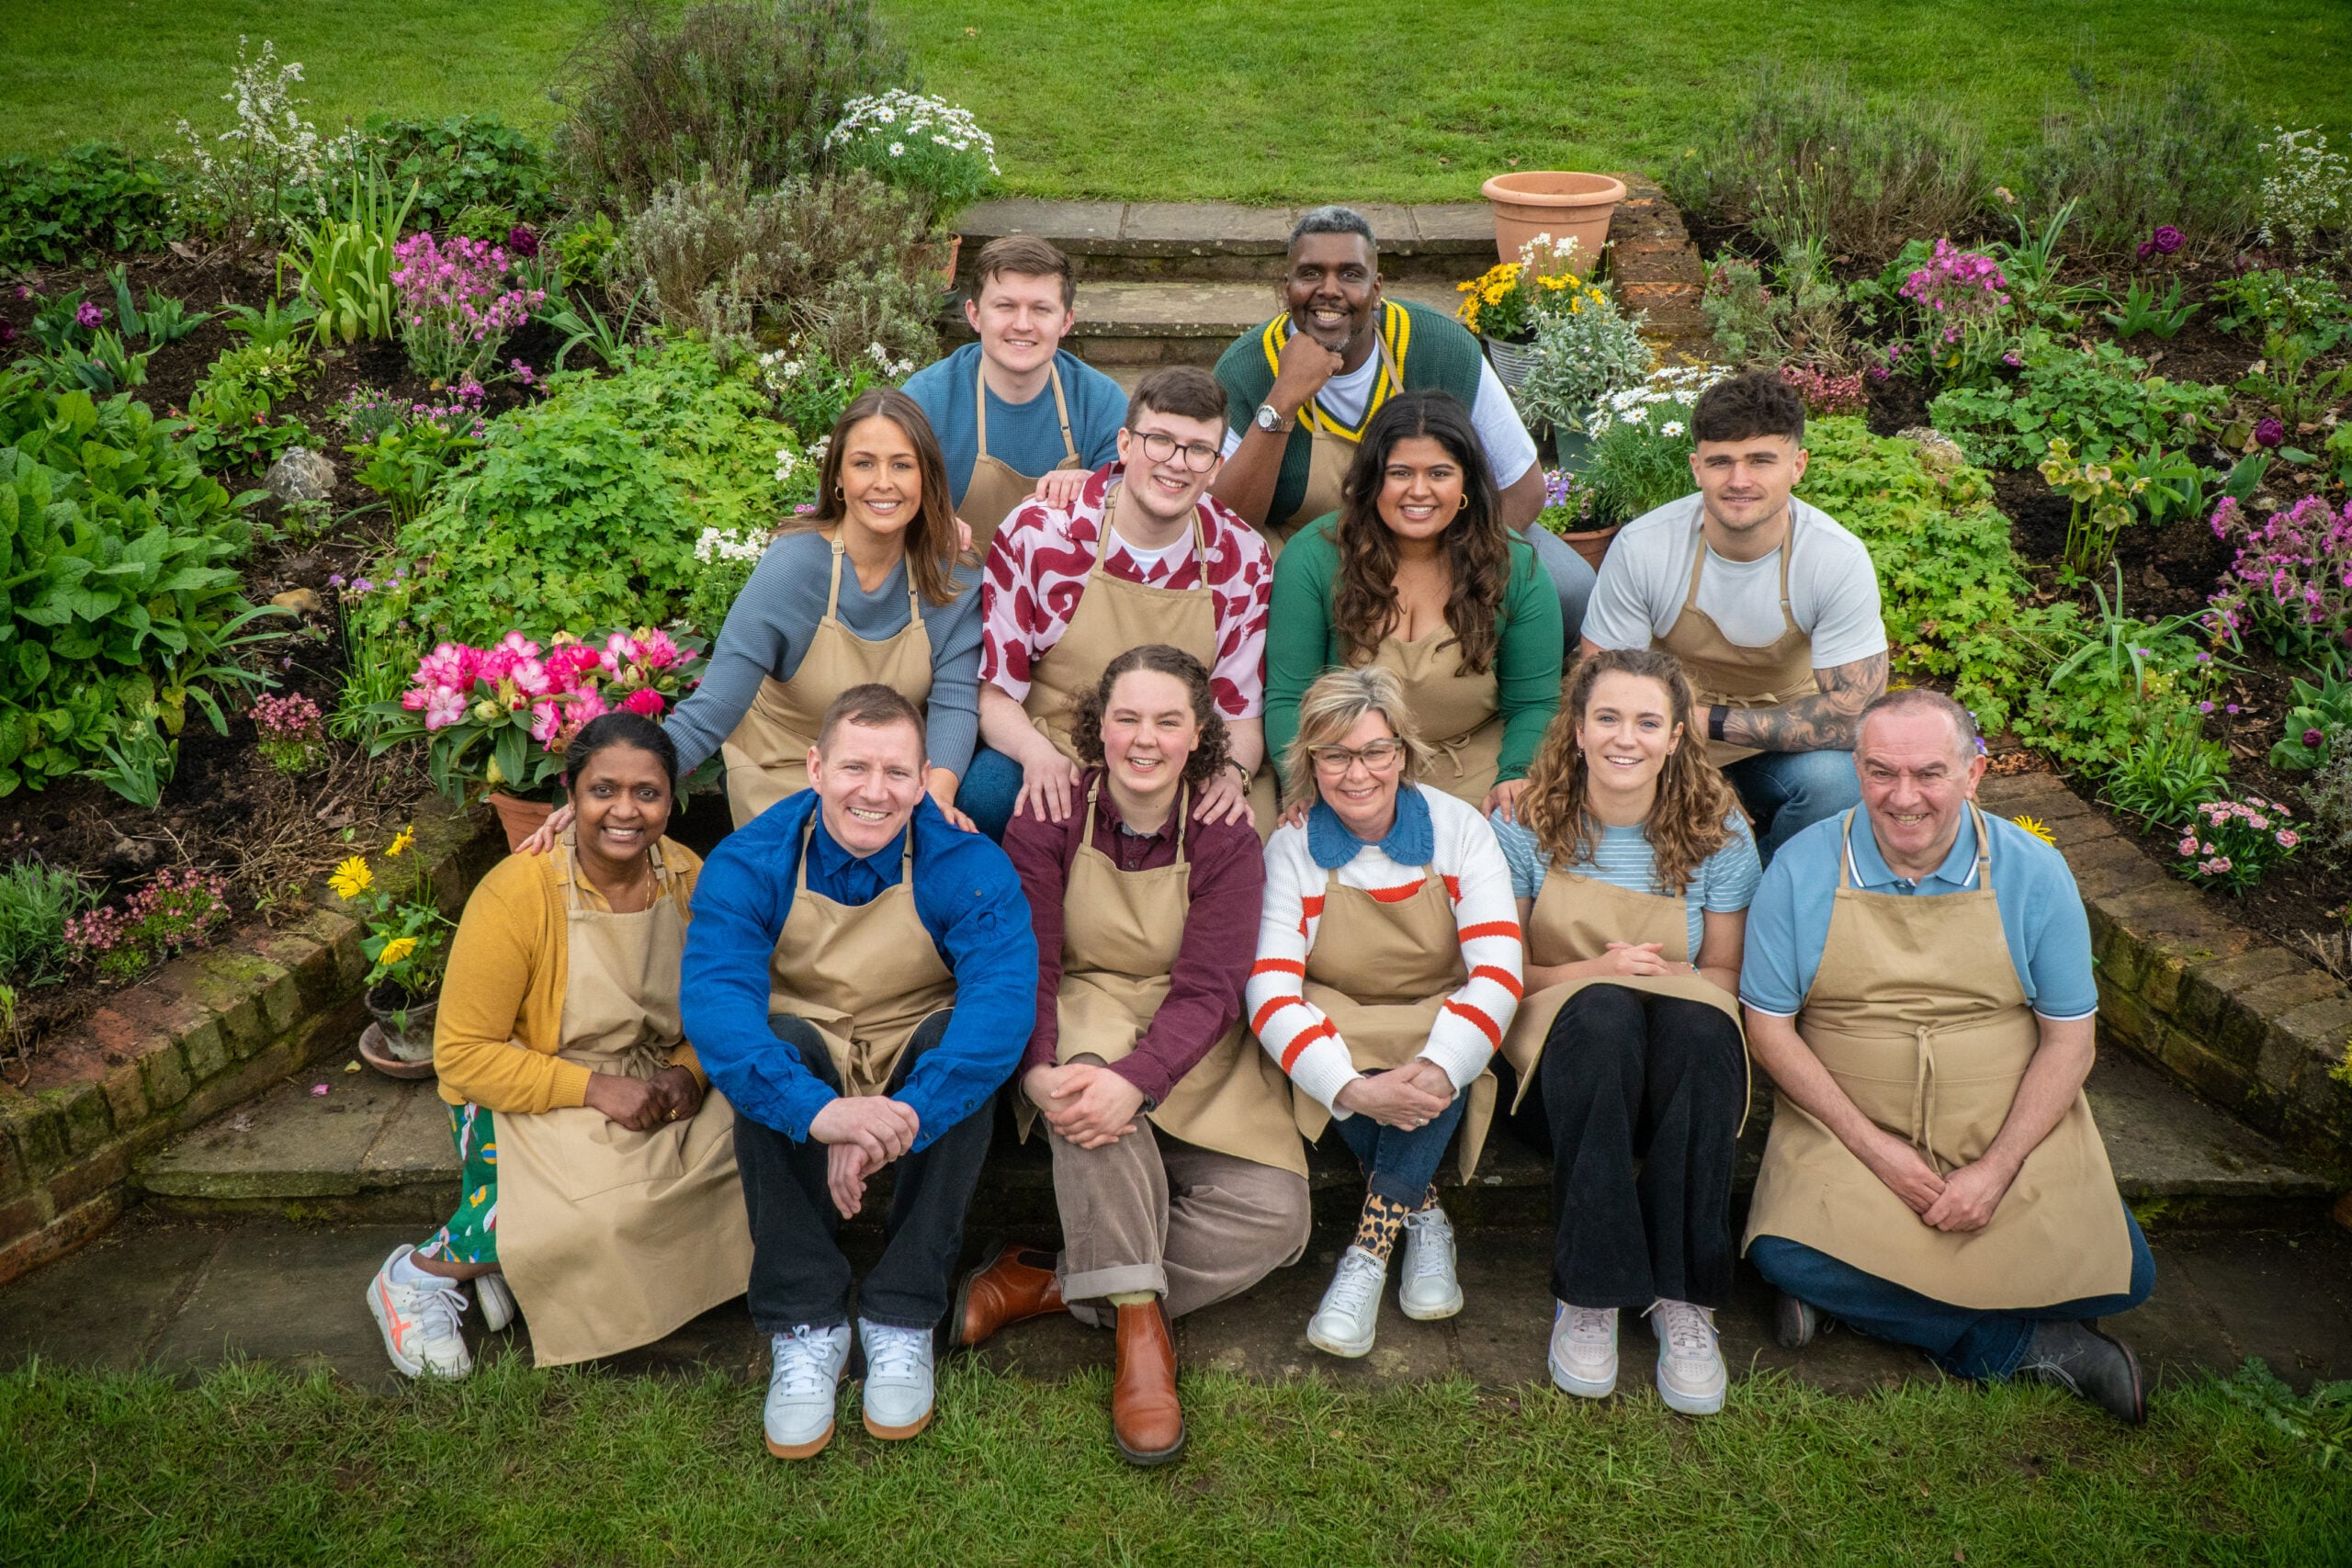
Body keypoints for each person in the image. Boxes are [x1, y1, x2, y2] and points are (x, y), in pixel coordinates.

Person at [1740, 688, 2154, 1424]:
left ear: (1974, 774)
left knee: (2126, 1274)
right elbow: (1769, 1028)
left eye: (1929, 772)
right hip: (1851, 1133)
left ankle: (1856, 1297)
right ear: (1857, 769)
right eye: (1879, 772)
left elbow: (2070, 1038)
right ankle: (2029, 1345)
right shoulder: (1801, 868)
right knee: (1780, 1253)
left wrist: (1995, 1172)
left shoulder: (2035, 873)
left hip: (2005, 1131)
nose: (1903, 798)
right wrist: (1879, 1153)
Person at [961, 645, 1306, 1465]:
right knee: (1089, 1101)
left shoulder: (1226, 832)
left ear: (1198, 738)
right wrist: (1037, 1066)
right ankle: (1141, 1346)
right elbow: (1032, 958)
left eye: (1166, 721)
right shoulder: (1049, 811)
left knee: (1278, 1217)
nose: (1143, 740)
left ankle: (1048, 1281)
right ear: (1098, 727)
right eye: (1126, 718)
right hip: (1083, 1014)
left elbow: (1213, 989)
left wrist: (1141, 1081)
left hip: (1197, 1044)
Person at [680, 684, 1036, 1459]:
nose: (874, 792)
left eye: (897, 773)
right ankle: (804, 1318)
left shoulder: (967, 862)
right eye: (854, 767)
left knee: (962, 1054)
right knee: (768, 1049)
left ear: (922, 779)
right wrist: (819, 1112)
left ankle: (903, 1309)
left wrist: (899, 1118)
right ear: (814, 766)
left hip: (912, 1034)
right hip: (808, 1036)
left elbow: (1002, 1005)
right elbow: (717, 1005)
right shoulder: (749, 860)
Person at [366, 714, 752, 1379]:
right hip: (529, 1087)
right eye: (604, 790)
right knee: (602, 1214)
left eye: (648, 792)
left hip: (650, 1081)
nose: (625, 810)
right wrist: (597, 1088)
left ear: (672, 799)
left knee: (758, 1159)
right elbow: (462, 1055)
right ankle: (421, 1274)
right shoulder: (518, 892)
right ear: (570, 795)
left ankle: (524, 1264)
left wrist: (687, 1071)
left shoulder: (690, 875)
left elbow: (723, 1005)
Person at [1490, 649, 1758, 1416]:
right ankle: (1591, 1293)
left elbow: (1726, 978)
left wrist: (1670, 979)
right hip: (1563, 1080)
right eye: (1607, 717)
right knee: (1605, 1013)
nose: (1625, 737)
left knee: (1700, 1026)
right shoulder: (1524, 822)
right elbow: (1502, 982)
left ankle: (1684, 1297)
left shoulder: (1721, 833)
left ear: (1676, 737)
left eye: (1647, 722)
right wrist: (1595, 972)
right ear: (1576, 729)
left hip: (1677, 1081)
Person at [1245, 667, 1521, 1359]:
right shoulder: (1292, 848)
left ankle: (1367, 1252)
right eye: (1334, 755)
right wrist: (1352, 1088)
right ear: (1310, 761)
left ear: (1402, 750)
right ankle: (1422, 1214)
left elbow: (1495, 972)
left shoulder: (1459, 831)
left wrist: (1436, 1065)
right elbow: (1272, 989)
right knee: (1320, 1039)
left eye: (1374, 751)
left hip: (1436, 1016)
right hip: (1341, 1019)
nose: (1357, 773)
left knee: (1452, 1041)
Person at [1210, 204, 1592, 639]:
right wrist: (1283, 398)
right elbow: (1227, 524)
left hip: (1440, 536)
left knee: (1571, 589)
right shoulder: (1246, 367)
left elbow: (1522, 491)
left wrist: (1436, 572)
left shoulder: (1441, 348)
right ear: (1287, 289)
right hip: (1304, 552)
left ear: (1376, 290)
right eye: (1311, 274)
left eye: (1350, 275)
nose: (1329, 290)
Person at [1578, 368, 1887, 863]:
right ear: (1696, 467)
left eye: (1761, 460)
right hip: (1661, 748)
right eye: (1721, 462)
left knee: (1836, 783)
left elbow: (1855, 719)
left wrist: (1706, 721)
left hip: (1780, 756)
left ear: (1798, 465)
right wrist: (1691, 775)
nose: (1739, 481)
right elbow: (1598, 690)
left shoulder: (1834, 559)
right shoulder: (1645, 547)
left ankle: (1770, 890)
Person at [959, 366, 1274, 841]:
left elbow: (1240, 711)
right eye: (1160, 440)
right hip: (1056, 743)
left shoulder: (1242, 557)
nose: (1177, 462)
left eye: (1198, 450)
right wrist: (1034, 754)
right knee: (987, 794)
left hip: (1169, 760)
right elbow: (995, 692)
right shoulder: (1041, 532)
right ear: (1125, 445)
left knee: (1240, 826)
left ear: (1216, 468)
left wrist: (1233, 775)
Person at [654, 388, 985, 832]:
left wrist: (937, 798)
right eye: (864, 463)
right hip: (783, 776)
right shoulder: (792, 568)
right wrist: (622, 783)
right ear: (838, 479)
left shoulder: (953, 580)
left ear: (927, 478)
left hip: (886, 791)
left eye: (902, 465)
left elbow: (955, 704)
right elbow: (711, 711)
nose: (883, 481)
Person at [1265, 389, 1560, 818]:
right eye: (1400, 473)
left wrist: (1515, 773)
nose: (1419, 491)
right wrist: (1306, 787)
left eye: (1440, 473)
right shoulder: (1314, 556)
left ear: (1466, 483)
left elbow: (1535, 703)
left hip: (1476, 773)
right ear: (1372, 480)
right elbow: (1289, 695)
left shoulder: (1514, 565)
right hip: (1349, 775)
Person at [903, 235, 1127, 554]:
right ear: (975, 315)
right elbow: (866, 502)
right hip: (951, 594)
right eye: (1005, 306)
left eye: (1040, 309)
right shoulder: (926, 400)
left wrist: (1095, 490)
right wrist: (920, 523)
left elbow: (1136, 526)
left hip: (1064, 596)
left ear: (1066, 321)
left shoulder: (1101, 404)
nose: (1022, 324)